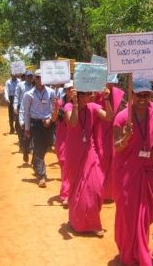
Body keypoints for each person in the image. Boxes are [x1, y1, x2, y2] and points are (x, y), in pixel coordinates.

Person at [113, 78, 153, 266]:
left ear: (151, 96)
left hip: (146, 172)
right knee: (127, 214)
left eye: (146, 95)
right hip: (126, 174)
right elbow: (116, 147)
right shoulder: (122, 118)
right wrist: (125, 138)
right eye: (139, 95)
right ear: (132, 96)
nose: (142, 99)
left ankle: (140, 251)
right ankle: (127, 253)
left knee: (144, 215)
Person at [63, 86, 113, 236]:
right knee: (76, 188)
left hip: (89, 151)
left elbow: (109, 117)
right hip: (74, 153)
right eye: (88, 94)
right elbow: (72, 123)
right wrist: (76, 104)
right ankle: (77, 222)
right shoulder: (68, 106)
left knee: (96, 187)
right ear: (80, 95)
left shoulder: (93, 107)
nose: (92, 96)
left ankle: (93, 222)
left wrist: (106, 99)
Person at [22, 69, 56, 187]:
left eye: (42, 77)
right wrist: (27, 128)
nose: (40, 80)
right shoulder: (28, 94)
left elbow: (55, 108)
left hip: (48, 123)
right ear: (34, 79)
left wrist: (50, 119)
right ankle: (41, 176)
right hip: (35, 124)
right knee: (38, 148)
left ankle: (36, 163)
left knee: (48, 145)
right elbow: (26, 112)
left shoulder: (51, 92)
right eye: (37, 77)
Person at [94, 77, 125, 201]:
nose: (110, 83)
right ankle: (97, 190)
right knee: (100, 158)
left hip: (114, 132)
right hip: (98, 130)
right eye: (108, 80)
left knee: (113, 160)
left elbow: (122, 110)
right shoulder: (95, 93)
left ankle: (108, 192)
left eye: (112, 80)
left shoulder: (118, 93)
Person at [51, 81, 75, 206]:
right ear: (65, 91)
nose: (71, 91)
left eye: (73, 88)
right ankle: (66, 194)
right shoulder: (60, 103)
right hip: (62, 140)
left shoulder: (79, 104)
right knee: (65, 165)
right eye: (69, 89)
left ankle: (72, 192)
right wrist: (55, 108)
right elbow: (53, 119)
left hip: (75, 139)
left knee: (73, 167)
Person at [15, 70, 34, 162]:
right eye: (28, 76)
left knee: (33, 132)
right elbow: (16, 96)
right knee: (23, 130)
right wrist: (15, 107)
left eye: (31, 76)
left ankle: (30, 148)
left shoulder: (34, 86)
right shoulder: (20, 85)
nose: (29, 78)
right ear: (25, 77)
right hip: (22, 108)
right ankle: (25, 148)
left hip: (33, 111)